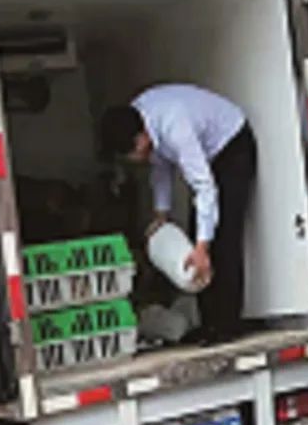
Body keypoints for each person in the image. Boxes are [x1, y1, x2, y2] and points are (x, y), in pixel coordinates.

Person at [100, 84, 257, 344]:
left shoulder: (175, 127)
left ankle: (228, 325)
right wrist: (161, 214)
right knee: (197, 243)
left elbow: (205, 188)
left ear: (141, 139)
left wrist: (203, 247)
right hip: (208, 152)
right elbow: (161, 169)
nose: (134, 159)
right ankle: (210, 324)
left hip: (232, 146)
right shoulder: (140, 118)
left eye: (132, 153)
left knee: (223, 236)